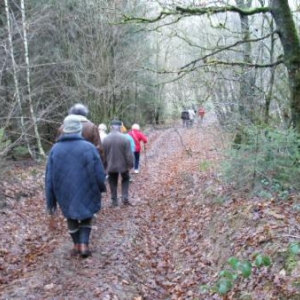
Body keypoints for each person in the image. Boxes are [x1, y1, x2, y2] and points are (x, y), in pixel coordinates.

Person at [45, 117, 106, 258]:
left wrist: (50, 200)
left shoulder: (55, 149)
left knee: (70, 216)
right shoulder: (89, 147)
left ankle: (76, 245)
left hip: (63, 190)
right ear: (79, 130)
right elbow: (99, 172)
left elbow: (49, 177)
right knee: (86, 215)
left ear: (64, 131)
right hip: (88, 187)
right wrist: (101, 187)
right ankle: (84, 245)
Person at [102, 120, 134, 207]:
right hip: (123, 166)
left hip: (110, 165)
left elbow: (103, 155)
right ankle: (125, 198)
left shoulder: (105, 139)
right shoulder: (125, 139)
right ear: (120, 127)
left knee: (112, 183)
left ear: (111, 127)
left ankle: (114, 201)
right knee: (126, 180)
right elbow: (128, 154)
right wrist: (130, 164)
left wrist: (104, 166)